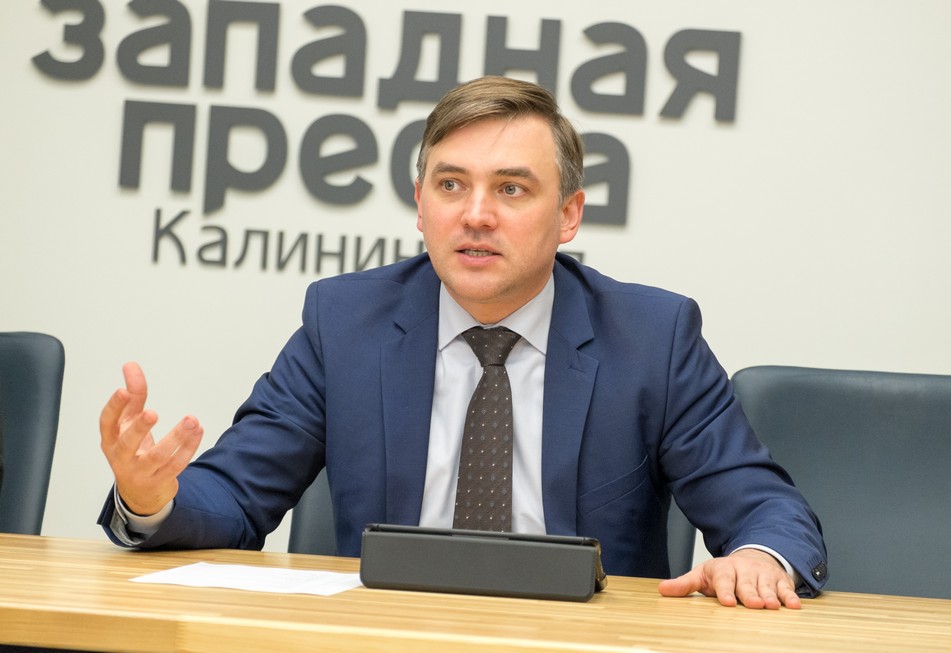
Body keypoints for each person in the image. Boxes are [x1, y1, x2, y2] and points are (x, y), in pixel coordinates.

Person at [99, 75, 827, 610]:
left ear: (568, 215)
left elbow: (764, 508)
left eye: (511, 189)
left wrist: (758, 557)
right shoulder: (345, 321)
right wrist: (151, 497)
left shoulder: (651, 337)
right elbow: (233, 496)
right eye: (450, 185)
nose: (476, 214)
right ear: (420, 206)